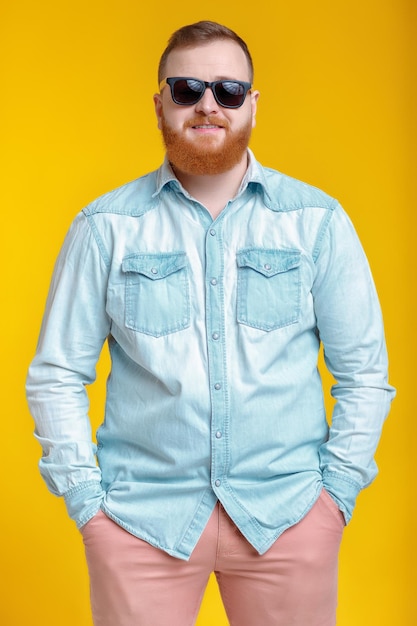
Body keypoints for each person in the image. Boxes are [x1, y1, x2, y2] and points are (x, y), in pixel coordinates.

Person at [26, 20, 395, 626]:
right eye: (188, 88)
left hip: (289, 518)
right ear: (160, 103)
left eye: (227, 90)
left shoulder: (316, 221)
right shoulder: (105, 227)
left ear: (252, 103)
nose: (207, 105)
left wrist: (336, 497)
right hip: (140, 521)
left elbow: (364, 373)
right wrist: (88, 504)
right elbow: (57, 374)